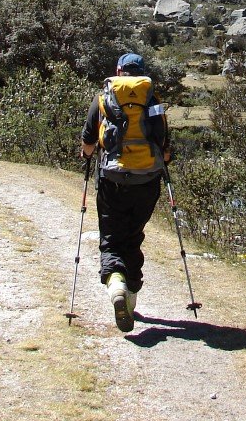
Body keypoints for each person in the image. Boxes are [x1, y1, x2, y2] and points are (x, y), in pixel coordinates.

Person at [80, 52, 171, 332]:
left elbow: (87, 144)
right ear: (142, 72)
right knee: (133, 236)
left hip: (112, 180)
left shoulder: (103, 99)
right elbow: (165, 150)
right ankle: (130, 297)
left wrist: (89, 157)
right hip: (146, 182)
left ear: (119, 71)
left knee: (111, 239)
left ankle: (116, 284)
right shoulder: (153, 101)